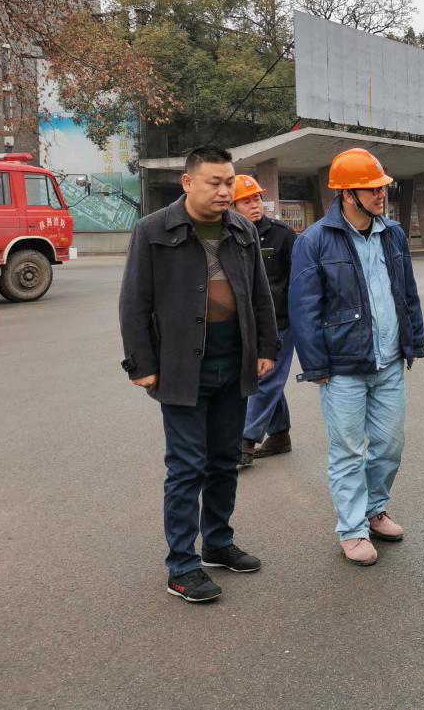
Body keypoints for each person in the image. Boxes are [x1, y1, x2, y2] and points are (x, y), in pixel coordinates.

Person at [118, 146, 278, 603]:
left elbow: (260, 294)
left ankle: (218, 543)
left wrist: (266, 347)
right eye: (215, 182)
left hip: (235, 362)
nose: (225, 191)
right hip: (182, 367)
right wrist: (141, 364)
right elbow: (134, 301)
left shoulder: (242, 229)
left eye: (229, 182)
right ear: (188, 182)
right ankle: (182, 566)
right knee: (187, 467)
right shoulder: (153, 230)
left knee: (225, 460)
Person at [289, 148, 424, 567]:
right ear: (347, 194)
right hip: (342, 368)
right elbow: (303, 308)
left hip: (389, 362)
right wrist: (316, 365)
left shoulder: (393, 234)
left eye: (383, 187)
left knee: (390, 445)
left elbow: (407, 292)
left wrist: (414, 340)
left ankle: (374, 509)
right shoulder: (314, 241)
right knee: (348, 451)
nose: (382, 194)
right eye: (372, 189)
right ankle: (352, 529)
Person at [232, 174, 298, 468]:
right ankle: (280, 434)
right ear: (232, 206)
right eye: (246, 201)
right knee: (268, 379)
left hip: (280, 322)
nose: (255, 204)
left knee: (264, 378)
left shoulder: (282, 235)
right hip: (245, 324)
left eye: (257, 198)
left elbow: (301, 279)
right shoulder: (228, 236)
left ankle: (244, 441)